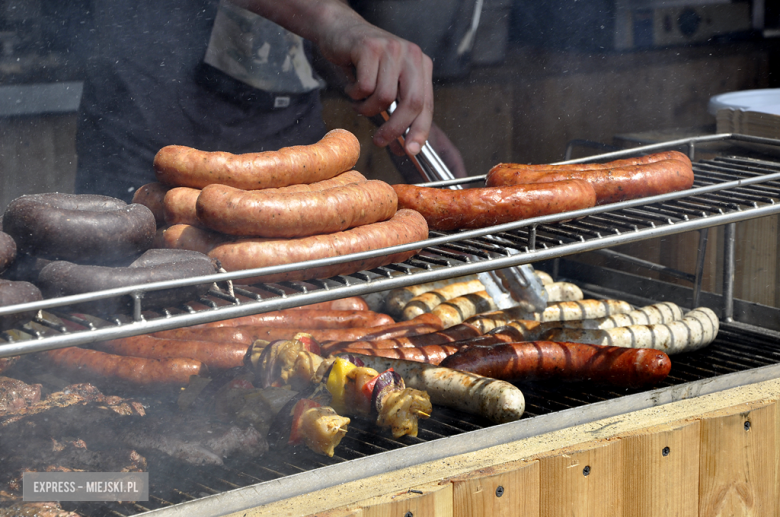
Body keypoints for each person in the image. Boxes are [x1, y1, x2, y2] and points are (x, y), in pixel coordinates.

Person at [72, 0, 464, 201]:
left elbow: (309, 37)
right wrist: (335, 21)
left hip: (291, 133)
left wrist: (387, 104)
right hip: (153, 120)